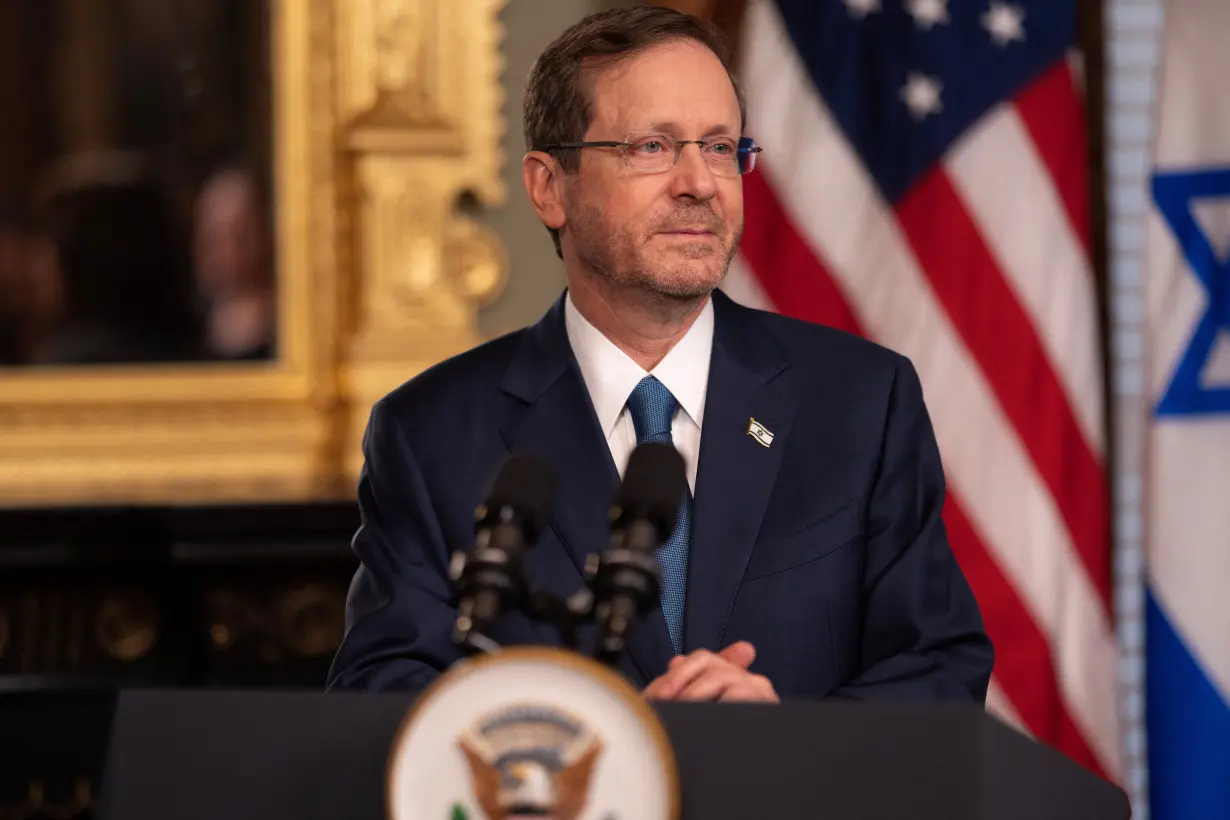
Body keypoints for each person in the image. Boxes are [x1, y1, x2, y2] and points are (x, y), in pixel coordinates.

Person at [328, 6, 993, 703]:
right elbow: (382, 696)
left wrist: (791, 743)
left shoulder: (861, 404)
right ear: (548, 187)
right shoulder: (429, 434)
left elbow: (939, 671)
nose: (699, 183)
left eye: (719, 147)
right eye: (651, 146)